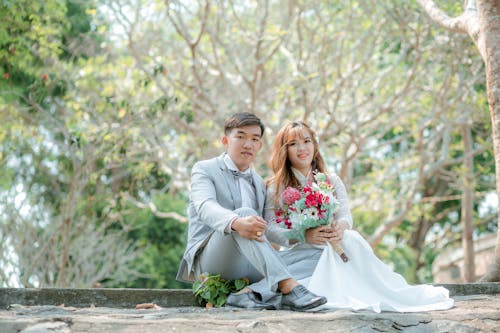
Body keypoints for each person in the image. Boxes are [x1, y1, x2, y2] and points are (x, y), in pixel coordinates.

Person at [264, 120, 454, 312]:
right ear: (284, 150)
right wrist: (303, 235)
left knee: (351, 238)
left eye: (306, 141)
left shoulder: (331, 181)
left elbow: (345, 215)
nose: (302, 148)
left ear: (315, 145)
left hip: (331, 248)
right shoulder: (275, 187)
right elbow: (270, 228)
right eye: (293, 144)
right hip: (298, 254)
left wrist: (340, 227)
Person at [176, 113, 327, 311]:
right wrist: (237, 222)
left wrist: (304, 235)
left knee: (319, 255)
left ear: (259, 145)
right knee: (245, 213)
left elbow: (269, 229)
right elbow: (205, 206)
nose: (248, 144)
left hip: (249, 265)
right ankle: (288, 287)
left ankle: (249, 293)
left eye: (254, 139)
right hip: (211, 262)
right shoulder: (205, 169)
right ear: (225, 140)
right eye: (240, 137)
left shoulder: (259, 182)